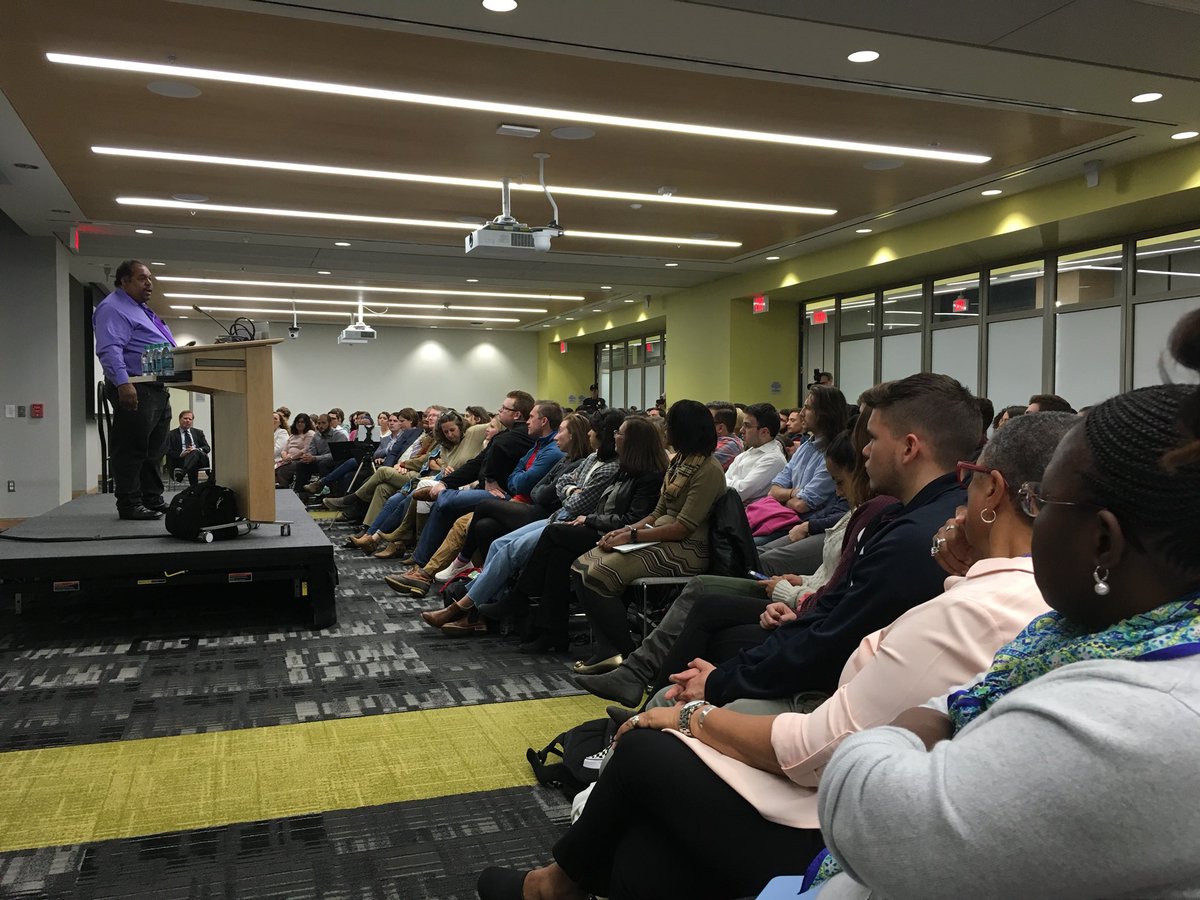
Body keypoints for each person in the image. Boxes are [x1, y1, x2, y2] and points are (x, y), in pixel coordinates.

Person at [475, 412, 1074, 900]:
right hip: (881, 790)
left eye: (874, 437)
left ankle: (550, 886)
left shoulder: (956, 594)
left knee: (646, 745)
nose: (862, 449)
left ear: (991, 488)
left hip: (849, 822)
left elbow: (818, 747)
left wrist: (695, 716)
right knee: (645, 857)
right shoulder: (1040, 597)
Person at [813, 312, 1200, 900]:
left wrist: (916, 723)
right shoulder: (1096, 637)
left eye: (1046, 503)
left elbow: (872, 815)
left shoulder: (1139, 721)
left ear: (1102, 540)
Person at [655, 373, 978, 714]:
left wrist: (721, 681)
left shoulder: (911, 538)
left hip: (842, 703)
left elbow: (832, 642)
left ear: (909, 448)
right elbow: (832, 610)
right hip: (835, 672)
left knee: (667, 711)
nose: (865, 451)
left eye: (872, 439)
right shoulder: (910, 514)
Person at [568, 399, 727, 674]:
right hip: (661, 535)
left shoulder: (708, 470)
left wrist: (632, 536)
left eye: (670, 425)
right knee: (581, 567)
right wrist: (624, 531)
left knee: (599, 574)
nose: (665, 430)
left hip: (689, 549)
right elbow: (658, 512)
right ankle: (609, 649)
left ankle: (624, 654)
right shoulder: (680, 461)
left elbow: (683, 527)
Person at [93, 259, 176, 520]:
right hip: (135, 385)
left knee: (154, 450)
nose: (149, 283)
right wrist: (123, 383)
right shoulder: (113, 308)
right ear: (124, 281)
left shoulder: (140, 309)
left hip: (156, 387)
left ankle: (151, 498)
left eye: (150, 278)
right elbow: (109, 348)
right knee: (131, 448)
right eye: (142, 278)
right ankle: (129, 503)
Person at [744, 387, 848, 544]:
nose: (801, 414)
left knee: (753, 549)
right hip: (783, 518)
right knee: (738, 541)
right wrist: (793, 493)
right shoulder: (806, 447)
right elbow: (773, 491)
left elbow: (802, 505)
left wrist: (785, 497)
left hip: (806, 525)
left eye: (807, 408)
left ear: (825, 413)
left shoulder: (834, 453)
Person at [724, 401, 786, 503]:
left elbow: (738, 493)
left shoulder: (774, 459)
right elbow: (722, 483)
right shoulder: (746, 453)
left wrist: (727, 482)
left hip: (747, 515)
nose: (741, 430)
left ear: (764, 432)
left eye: (747, 426)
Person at [165, 409, 210, 487]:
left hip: (200, 459)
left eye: (190, 419)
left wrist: (196, 450)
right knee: (193, 462)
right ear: (180, 419)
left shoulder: (198, 433)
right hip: (182, 460)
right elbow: (167, 450)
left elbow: (207, 448)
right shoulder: (171, 434)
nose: (187, 421)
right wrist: (181, 454)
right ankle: (194, 488)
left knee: (194, 453)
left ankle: (182, 474)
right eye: (185, 418)